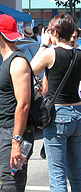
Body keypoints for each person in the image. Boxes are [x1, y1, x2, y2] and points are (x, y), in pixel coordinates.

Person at [30, 13, 81, 192]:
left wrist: (44, 44)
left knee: (58, 173)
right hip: (77, 112)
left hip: (58, 115)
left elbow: (29, 70)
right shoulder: (79, 54)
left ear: (56, 33)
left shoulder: (51, 53)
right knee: (76, 172)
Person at [0, 14, 35, 191]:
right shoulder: (8, 61)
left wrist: (16, 141)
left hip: (11, 134)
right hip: (3, 133)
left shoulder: (17, 63)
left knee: (10, 186)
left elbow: (23, 104)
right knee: (1, 185)